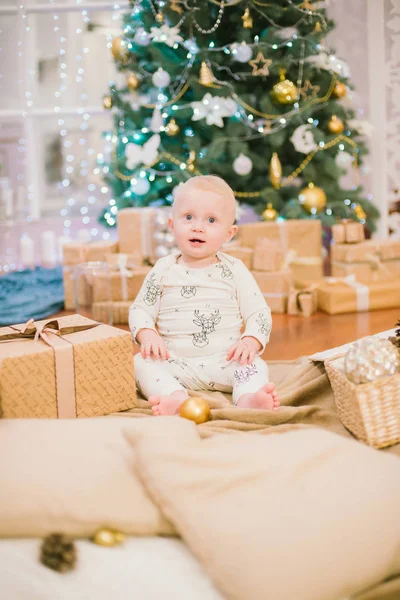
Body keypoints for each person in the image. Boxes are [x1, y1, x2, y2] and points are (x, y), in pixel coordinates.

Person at [129, 175, 279, 416]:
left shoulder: (234, 269)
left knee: (254, 366)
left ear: (229, 233)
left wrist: (251, 340)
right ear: (172, 225)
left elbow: (258, 312)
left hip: (225, 360)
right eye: (188, 217)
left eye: (211, 220)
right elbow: (140, 309)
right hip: (173, 360)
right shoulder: (163, 269)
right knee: (139, 363)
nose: (197, 226)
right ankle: (174, 396)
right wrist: (147, 334)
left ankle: (249, 398)